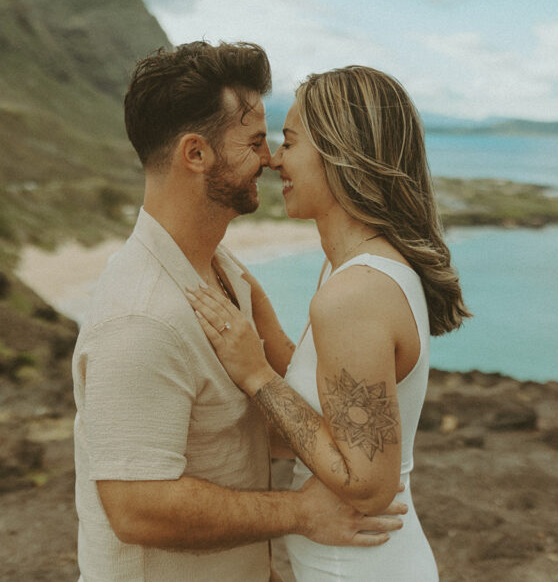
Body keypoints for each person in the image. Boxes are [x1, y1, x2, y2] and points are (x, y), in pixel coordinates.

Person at [71, 43, 405, 582]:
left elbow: (234, 435)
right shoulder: (140, 320)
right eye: (254, 142)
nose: (272, 158)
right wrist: (299, 515)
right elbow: (135, 506)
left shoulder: (220, 269)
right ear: (196, 154)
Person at [187, 65, 470, 581]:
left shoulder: (355, 295)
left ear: (339, 154)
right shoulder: (356, 269)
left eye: (290, 142)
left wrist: (256, 376)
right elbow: (328, 405)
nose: (274, 160)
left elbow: (367, 485)